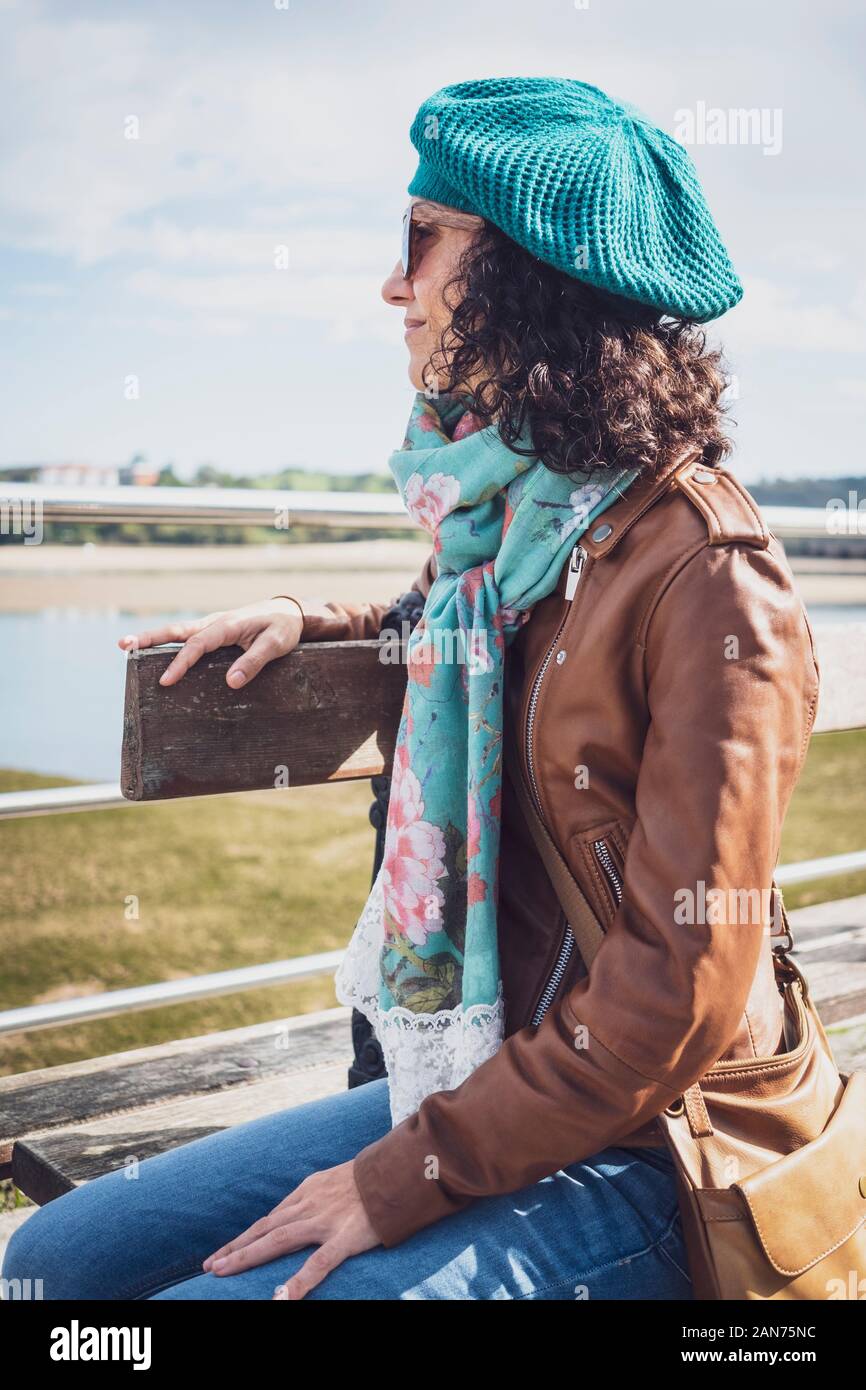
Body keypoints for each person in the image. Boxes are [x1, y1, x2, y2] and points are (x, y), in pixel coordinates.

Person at [2, 77, 819, 1302]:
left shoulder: (710, 580)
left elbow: (678, 998)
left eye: (417, 240)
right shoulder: (524, 518)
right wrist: (306, 621)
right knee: (51, 1263)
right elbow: (453, 639)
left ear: (521, 276)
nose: (392, 284)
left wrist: (400, 1176)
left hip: (660, 1144)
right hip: (486, 1074)